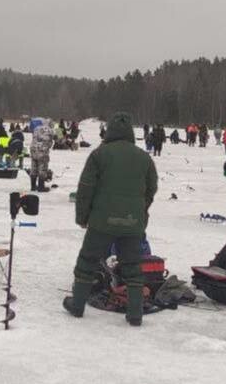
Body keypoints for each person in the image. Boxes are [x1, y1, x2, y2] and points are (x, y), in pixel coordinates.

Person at [64, 112, 158, 326]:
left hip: (101, 222)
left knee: (87, 262)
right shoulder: (144, 157)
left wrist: (82, 217)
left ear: (110, 132)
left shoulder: (99, 154)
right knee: (133, 268)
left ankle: (77, 305)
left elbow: (86, 188)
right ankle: (135, 314)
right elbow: (151, 189)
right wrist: (140, 212)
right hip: (132, 222)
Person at [29, 120, 54, 192]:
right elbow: (51, 142)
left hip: (33, 150)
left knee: (34, 168)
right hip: (42, 151)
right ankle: (41, 187)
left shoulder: (36, 128)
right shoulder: (50, 130)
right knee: (42, 168)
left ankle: (33, 187)